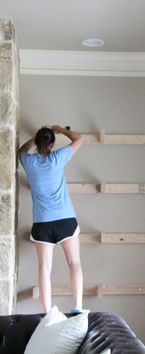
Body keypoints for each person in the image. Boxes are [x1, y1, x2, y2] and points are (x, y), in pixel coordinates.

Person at [19, 125, 84, 313]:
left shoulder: (28, 161)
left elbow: (21, 150)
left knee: (44, 270)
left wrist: (36, 138)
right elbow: (79, 139)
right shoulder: (58, 158)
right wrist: (60, 130)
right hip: (65, 221)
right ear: (52, 143)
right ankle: (77, 307)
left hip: (42, 224)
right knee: (75, 263)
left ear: (38, 142)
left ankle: (47, 313)